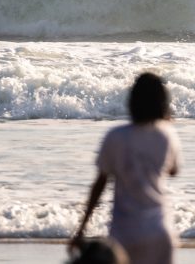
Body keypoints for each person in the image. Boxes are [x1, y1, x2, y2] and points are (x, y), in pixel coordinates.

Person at [71, 72, 181, 264]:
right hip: (160, 230)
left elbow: (100, 185)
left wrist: (82, 228)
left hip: (126, 232)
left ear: (132, 101)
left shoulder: (116, 137)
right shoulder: (167, 135)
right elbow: (173, 170)